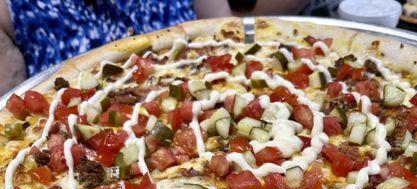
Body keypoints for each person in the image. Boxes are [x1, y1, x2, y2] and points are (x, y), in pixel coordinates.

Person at [0, 0, 309, 95]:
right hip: (75, 123)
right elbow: (12, 105)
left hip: (209, 86)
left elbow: (228, 32)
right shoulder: (12, 8)